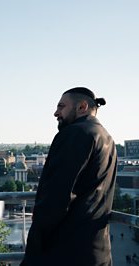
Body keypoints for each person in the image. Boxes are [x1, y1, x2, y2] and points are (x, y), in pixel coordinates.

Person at [21, 87, 117, 266]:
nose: (56, 113)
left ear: (82, 107)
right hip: (96, 249)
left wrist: (36, 243)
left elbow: (58, 194)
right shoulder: (107, 138)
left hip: (64, 250)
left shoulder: (75, 133)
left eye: (61, 106)